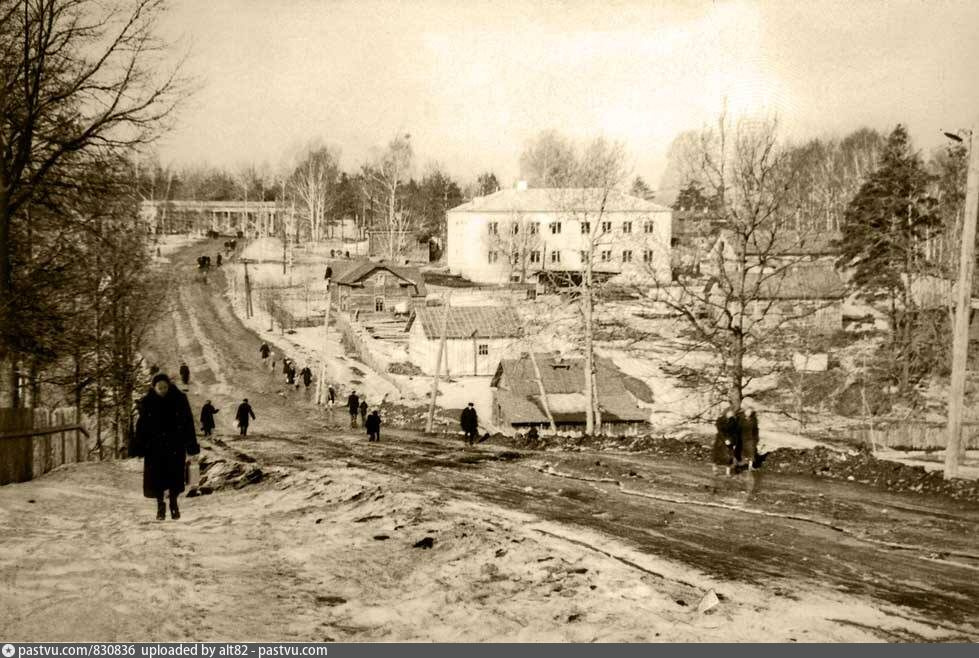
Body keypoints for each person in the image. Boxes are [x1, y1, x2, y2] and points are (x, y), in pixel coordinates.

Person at [130, 373, 200, 521]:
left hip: (175, 445)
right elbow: (141, 426)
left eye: (165, 387)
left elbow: (188, 423)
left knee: (174, 476)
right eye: (159, 388)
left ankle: (174, 504)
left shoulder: (179, 399)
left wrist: (191, 445)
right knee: (157, 478)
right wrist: (138, 445)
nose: (162, 390)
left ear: (169, 386)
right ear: (154, 388)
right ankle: (160, 506)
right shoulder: (147, 402)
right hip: (154, 447)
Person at [712, 407, 738, 476]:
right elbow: (720, 431)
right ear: (726, 412)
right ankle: (715, 469)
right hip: (720, 441)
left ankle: (728, 472)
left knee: (729, 457)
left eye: (732, 413)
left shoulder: (734, 421)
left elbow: (735, 433)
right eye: (729, 412)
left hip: (730, 441)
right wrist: (725, 440)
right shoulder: (720, 420)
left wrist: (733, 441)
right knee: (717, 457)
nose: (731, 414)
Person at [740, 403, 760, 471]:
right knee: (743, 451)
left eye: (750, 412)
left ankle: (750, 466)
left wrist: (756, 438)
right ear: (745, 412)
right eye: (747, 412)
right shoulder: (741, 420)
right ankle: (741, 465)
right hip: (742, 437)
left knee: (751, 451)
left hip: (751, 438)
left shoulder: (754, 420)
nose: (749, 413)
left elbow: (756, 429)